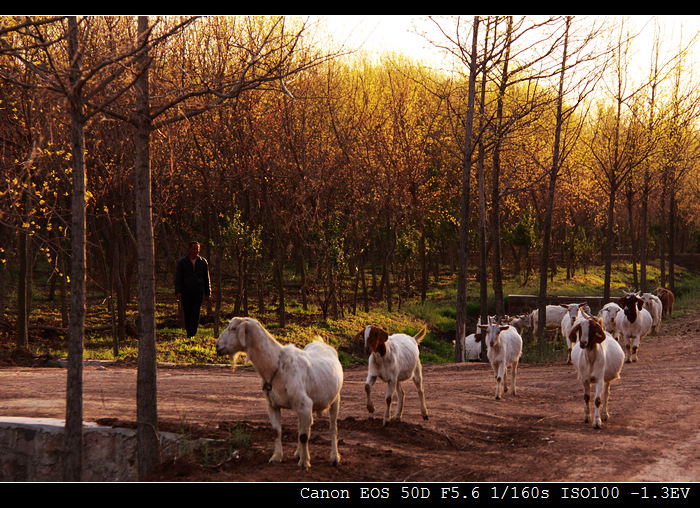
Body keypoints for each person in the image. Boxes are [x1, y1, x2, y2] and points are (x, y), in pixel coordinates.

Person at [175, 241, 211, 338]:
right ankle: (189, 333)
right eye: (194, 249)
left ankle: (192, 334)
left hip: (198, 291)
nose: (195, 251)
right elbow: (178, 278)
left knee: (196, 312)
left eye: (197, 249)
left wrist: (208, 292)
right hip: (186, 292)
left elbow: (206, 278)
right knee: (187, 313)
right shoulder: (182, 262)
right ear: (189, 249)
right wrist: (178, 291)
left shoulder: (203, 262)